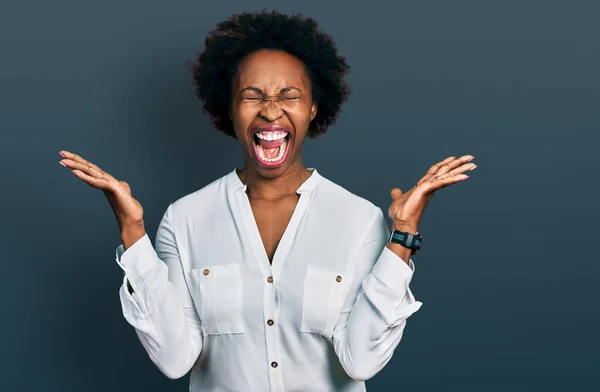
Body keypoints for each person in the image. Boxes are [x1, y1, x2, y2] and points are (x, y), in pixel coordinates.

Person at [59, 10, 476, 392]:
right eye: (252, 95)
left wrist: (403, 236)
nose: (271, 111)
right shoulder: (184, 219)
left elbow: (361, 361)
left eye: (289, 95)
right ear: (231, 109)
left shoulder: (359, 220)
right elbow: (175, 360)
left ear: (313, 108)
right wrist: (133, 235)